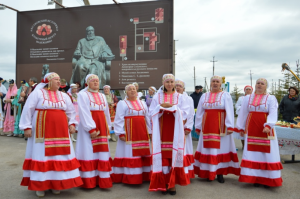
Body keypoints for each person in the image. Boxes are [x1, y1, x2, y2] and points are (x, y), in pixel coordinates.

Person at [19, 72, 82, 197]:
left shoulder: (64, 96)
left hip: (61, 132)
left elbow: (71, 111)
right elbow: (28, 109)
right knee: (42, 155)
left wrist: (72, 124)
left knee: (59, 155)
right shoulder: (37, 93)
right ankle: (41, 185)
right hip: (42, 131)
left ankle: (56, 183)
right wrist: (26, 127)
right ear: (48, 81)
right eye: (56, 79)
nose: (59, 82)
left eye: (60, 80)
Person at [236, 78, 283, 188]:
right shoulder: (247, 98)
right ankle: (256, 178)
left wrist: (268, 125)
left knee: (267, 153)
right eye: (258, 83)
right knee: (253, 153)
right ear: (255, 85)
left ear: (266, 86)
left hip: (265, 128)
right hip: (251, 128)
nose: (260, 85)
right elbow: (243, 113)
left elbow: (273, 112)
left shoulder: (271, 98)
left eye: (262, 84)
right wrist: (241, 128)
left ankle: (269, 179)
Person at [149, 74, 190, 195]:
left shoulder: (180, 97)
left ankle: (172, 184)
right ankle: (163, 183)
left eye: (172, 82)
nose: (170, 84)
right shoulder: (157, 96)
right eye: (167, 82)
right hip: (161, 130)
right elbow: (151, 112)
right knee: (163, 156)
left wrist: (173, 108)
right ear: (163, 83)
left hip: (175, 129)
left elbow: (186, 112)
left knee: (173, 154)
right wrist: (160, 107)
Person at [194, 76, 240, 183]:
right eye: (213, 81)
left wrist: (230, 126)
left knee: (221, 149)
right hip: (207, 126)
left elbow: (229, 111)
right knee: (207, 149)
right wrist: (198, 126)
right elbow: (200, 112)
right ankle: (207, 172)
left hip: (221, 127)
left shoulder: (225, 95)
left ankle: (219, 173)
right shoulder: (204, 96)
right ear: (210, 83)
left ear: (220, 84)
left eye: (217, 82)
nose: (215, 83)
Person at [75, 74, 113, 189]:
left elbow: (106, 112)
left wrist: (108, 127)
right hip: (89, 125)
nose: (96, 83)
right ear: (87, 83)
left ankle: (101, 179)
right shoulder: (82, 94)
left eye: (97, 81)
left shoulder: (102, 95)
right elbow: (84, 111)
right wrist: (91, 128)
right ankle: (89, 181)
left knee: (101, 152)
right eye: (93, 81)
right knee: (89, 151)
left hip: (102, 125)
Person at [112, 84, 152, 184]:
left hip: (142, 131)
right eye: (129, 89)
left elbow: (147, 118)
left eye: (134, 89)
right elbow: (119, 118)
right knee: (131, 153)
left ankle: (145, 175)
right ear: (126, 92)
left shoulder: (142, 103)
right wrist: (120, 133)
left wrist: (150, 131)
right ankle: (132, 177)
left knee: (143, 152)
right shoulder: (122, 103)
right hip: (129, 131)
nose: (132, 91)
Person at [175, 79, 195, 179]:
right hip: (173, 128)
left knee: (184, 149)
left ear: (184, 88)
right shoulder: (172, 97)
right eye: (176, 86)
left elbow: (191, 114)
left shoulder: (188, 99)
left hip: (183, 128)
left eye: (180, 86)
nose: (178, 88)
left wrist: (188, 127)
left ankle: (186, 172)